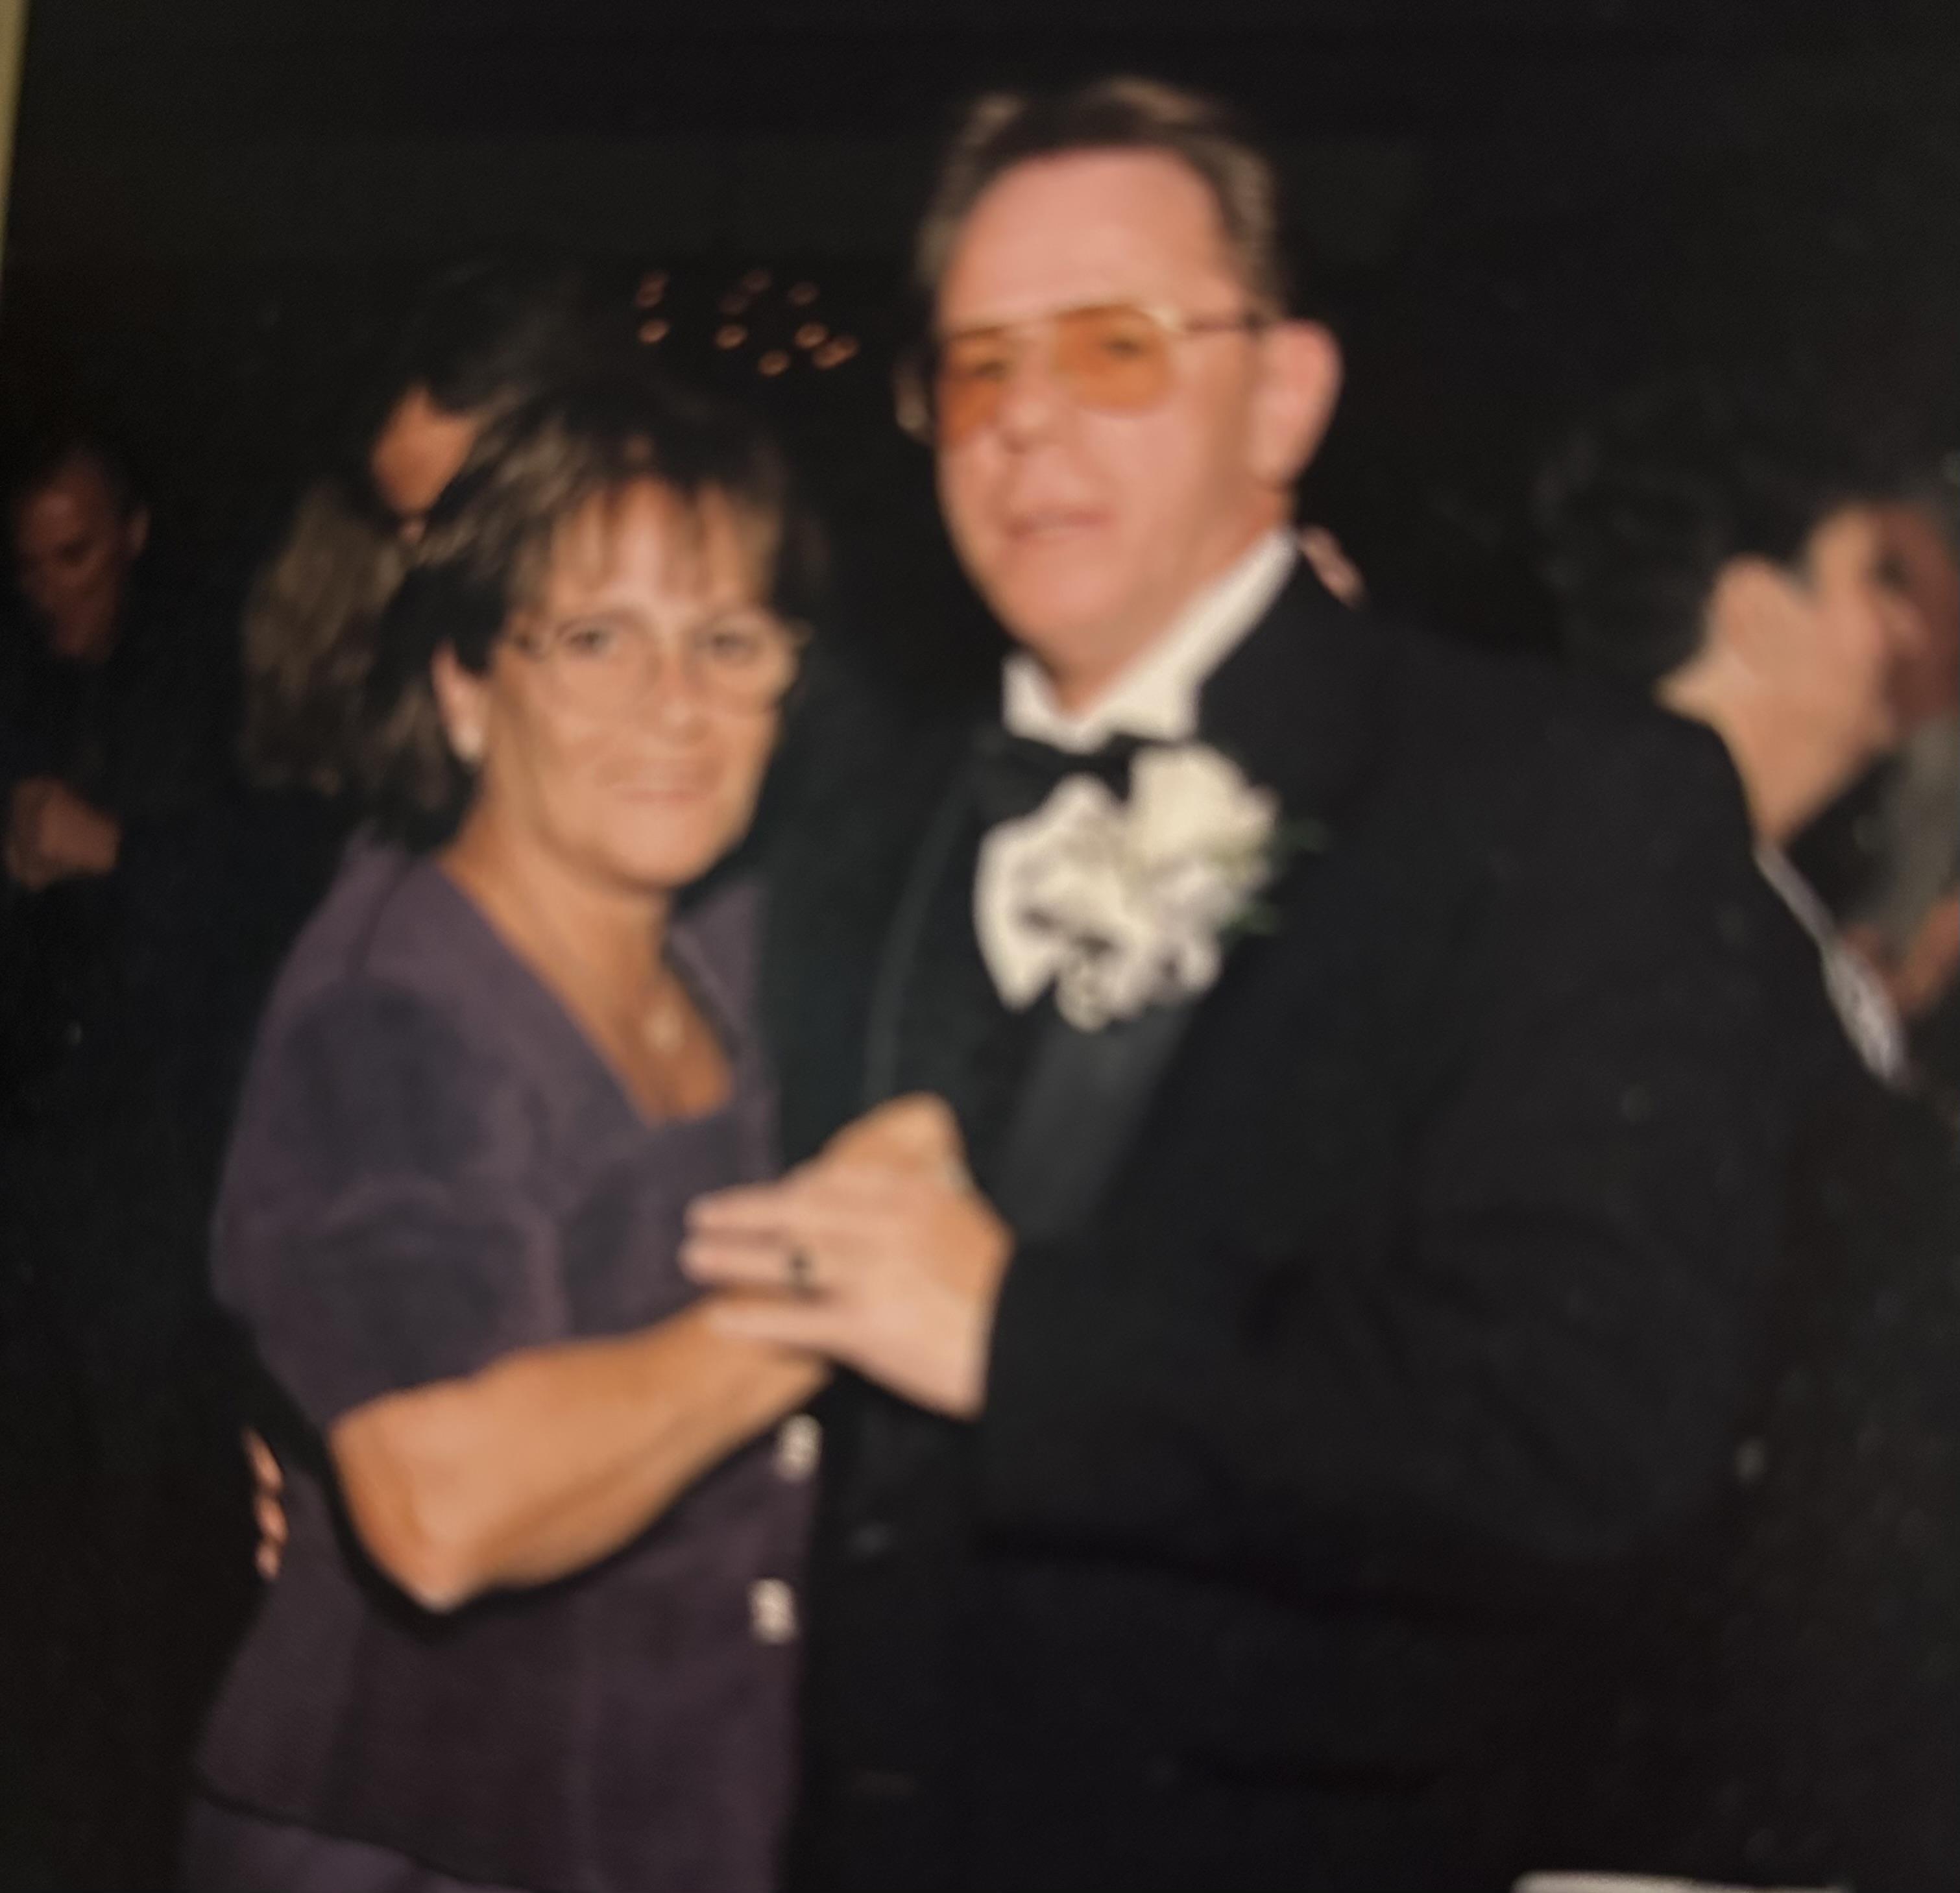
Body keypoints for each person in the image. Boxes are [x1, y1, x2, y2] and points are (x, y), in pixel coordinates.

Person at [680, 78, 1819, 1892]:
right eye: (975, 366)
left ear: (1282, 395)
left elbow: (1586, 1433)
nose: (1023, 417)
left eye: (1111, 347)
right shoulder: (856, 814)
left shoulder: (1551, 796)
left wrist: (1023, 1341)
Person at [187, 369, 825, 1893]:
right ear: (466, 688)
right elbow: (441, 1503)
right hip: (420, 1848)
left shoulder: (729, 947)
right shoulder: (389, 1006)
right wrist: (825, 1300)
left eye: (727, 641)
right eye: (595, 639)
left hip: (669, 1816)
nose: (674, 704)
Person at [1537, 379, 1960, 1888]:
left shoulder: (1753, 915)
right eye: (1878, 577)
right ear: (1749, 607)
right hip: (1653, 1798)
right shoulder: (1621, 914)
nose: (1923, 626)